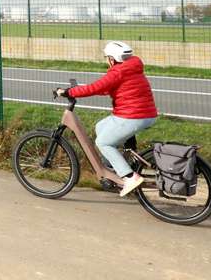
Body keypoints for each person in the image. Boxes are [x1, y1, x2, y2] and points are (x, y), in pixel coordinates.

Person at [54, 40, 158, 196]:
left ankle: (129, 177)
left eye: (107, 58)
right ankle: (113, 168)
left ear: (112, 58)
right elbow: (105, 88)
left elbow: (97, 87)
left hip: (133, 116)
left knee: (103, 142)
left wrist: (68, 92)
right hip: (143, 114)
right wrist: (80, 90)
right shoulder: (131, 68)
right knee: (101, 127)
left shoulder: (118, 71)